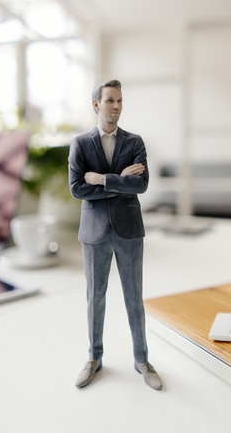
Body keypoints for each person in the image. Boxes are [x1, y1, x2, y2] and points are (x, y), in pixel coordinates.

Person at [68, 79, 162, 390]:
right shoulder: (81, 144)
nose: (117, 106)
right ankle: (94, 357)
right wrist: (117, 180)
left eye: (120, 100)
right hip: (94, 232)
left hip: (129, 231)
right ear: (96, 104)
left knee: (134, 297)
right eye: (110, 100)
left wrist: (101, 178)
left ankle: (141, 359)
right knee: (95, 297)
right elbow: (77, 188)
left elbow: (141, 184)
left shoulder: (135, 142)